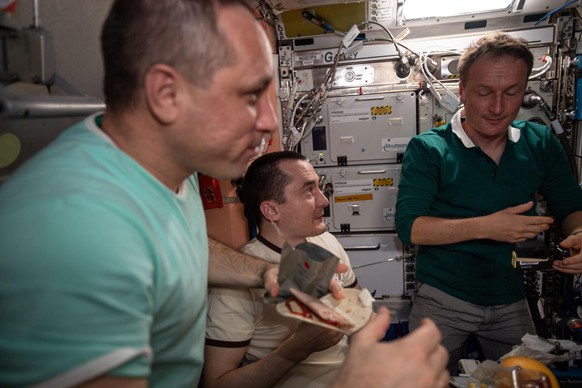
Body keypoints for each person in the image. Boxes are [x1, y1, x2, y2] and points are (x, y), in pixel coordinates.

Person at [0, 1, 449, 387]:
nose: (270, 122)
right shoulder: (78, 236)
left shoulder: (167, 168)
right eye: (250, 95)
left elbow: (184, 245)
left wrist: (268, 274)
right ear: (166, 94)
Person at [396, 31, 582, 375]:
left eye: (511, 93)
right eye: (484, 93)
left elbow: (570, 206)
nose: (498, 107)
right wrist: (487, 226)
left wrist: (579, 234)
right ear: (463, 91)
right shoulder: (428, 149)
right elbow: (411, 227)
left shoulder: (539, 143)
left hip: (509, 297)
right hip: (442, 298)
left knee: (527, 380)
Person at [204, 151, 360, 388]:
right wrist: (297, 349)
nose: (324, 200)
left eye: (319, 188)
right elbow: (216, 383)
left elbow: (359, 315)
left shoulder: (327, 241)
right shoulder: (236, 281)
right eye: (309, 191)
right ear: (272, 211)